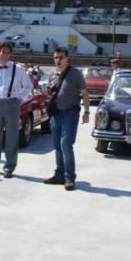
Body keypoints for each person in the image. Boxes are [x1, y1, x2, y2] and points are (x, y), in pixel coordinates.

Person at [0, 42, 32, 178]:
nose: (5, 54)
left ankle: (9, 167)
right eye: (2, 52)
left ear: (10, 54)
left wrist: (20, 98)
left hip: (11, 104)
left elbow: (28, 86)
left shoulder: (18, 69)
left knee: (12, 137)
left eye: (7, 52)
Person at [43, 47, 90, 191]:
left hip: (70, 114)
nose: (58, 60)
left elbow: (84, 94)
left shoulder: (75, 74)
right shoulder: (52, 75)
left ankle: (69, 178)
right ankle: (59, 175)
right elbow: (50, 93)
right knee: (57, 146)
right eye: (56, 57)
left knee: (66, 145)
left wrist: (87, 112)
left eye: (61, 57)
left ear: (67, 59)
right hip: (56, 115)